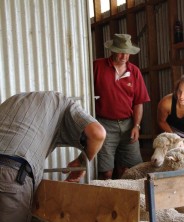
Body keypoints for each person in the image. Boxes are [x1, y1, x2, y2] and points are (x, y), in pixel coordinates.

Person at [0, 91, 106, 222]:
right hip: (10, 173)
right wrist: (81, 162)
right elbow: (97, 134)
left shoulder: (15, 100)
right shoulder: (64, 102)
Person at [93, 33, 150, 180]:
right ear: (112, 50)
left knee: (133, 170)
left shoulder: (134, 72)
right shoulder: (97, 66)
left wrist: (136, 126)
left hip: (128, 124)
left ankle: (130, 201)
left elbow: (138, 102)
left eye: (127, 52)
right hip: (104, 124)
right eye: (120, 51)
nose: (124, 56)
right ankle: (106, 201)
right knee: (106, 172)